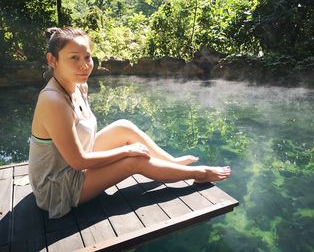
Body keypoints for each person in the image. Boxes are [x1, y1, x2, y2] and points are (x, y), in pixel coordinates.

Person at [28, 27, 231, 219]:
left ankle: (172, 162)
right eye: (74, 58)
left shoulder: (80, 86)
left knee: (123, 126)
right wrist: (126, 151)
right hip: (57, 187)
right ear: (52, 60)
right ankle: (200, 173)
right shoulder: (53, 101)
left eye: (87, 57)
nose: (84, 65)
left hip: (73, 164)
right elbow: (79, 162)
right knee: (135, 160)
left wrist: (128, 148)